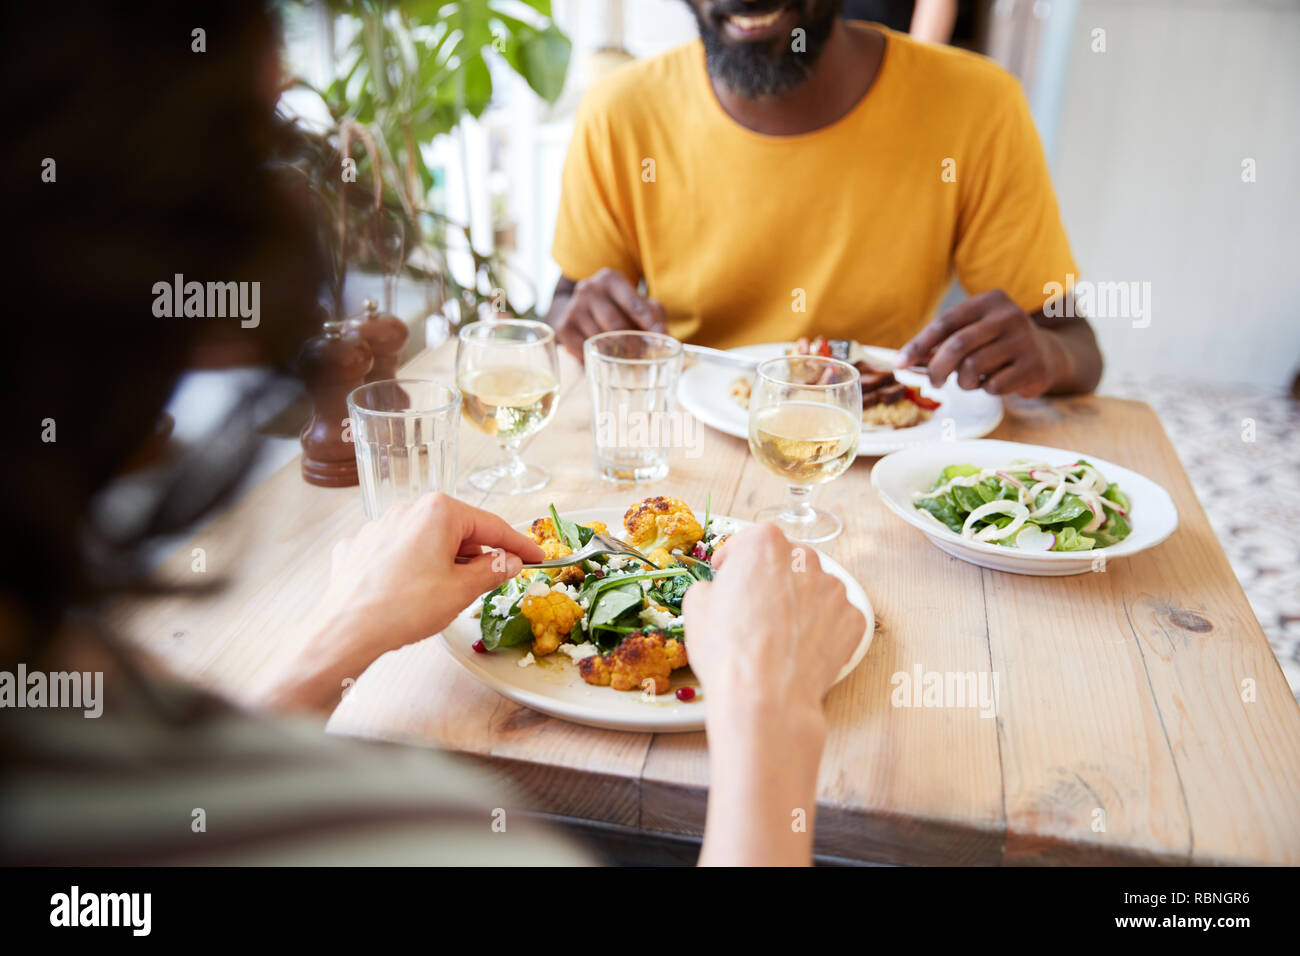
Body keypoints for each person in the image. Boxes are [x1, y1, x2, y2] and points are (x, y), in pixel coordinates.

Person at [1, 1, 865, 866]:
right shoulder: (434, 839)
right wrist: (768, 710)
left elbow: (182, 815)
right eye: (255, 147)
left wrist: (336, 642)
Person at [548, 0, 1102, 400]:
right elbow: (564, 308)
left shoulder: (978, 106)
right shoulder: (620, 113)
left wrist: (1046, 356)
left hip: (875, 457)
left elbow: (1074, 344)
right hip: (683, 463)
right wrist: (578, 320)